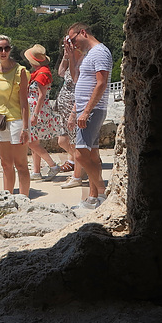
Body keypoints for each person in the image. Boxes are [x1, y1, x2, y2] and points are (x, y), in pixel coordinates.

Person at [66, 22, 113, 209]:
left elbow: (101, 83)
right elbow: (78, 79)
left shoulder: (100, 52)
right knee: (92, 155)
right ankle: (94, 197)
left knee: (80, 155)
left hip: (92, 110)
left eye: (73, 39)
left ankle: (102, 191)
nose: (73, 43)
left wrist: (86, 111)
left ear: (83, 33)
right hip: (86, 109)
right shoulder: (90, 55)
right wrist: (70, 56)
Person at [0, 35, 31, 196]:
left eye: (6, 48)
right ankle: (7, 197)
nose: (3, 52)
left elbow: (24, 102)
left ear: (10, 49)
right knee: (5, 164)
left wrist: (25, 128)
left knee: (20, 164)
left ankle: (23, 198)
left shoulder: (20, 71)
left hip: (16, 121)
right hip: (1, 122)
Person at [23, 44, 63, 181]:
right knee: (35, 140)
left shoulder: (41, 74)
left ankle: (53, 165)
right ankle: (36, 171)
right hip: (38, 109)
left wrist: (35, 114)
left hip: (37, 110)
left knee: (31, 142)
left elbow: (41, 95)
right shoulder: (42, 71)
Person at [56, 37, 87, 189]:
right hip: (64, 110)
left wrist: (74, 113)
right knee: (62, 141)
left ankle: (77, 175)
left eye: (67, 46)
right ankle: (82, 166)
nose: (65, 47)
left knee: (75, 143)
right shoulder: (71, 62)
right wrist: (65, 57)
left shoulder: (82, 63)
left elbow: (79, 89)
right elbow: (61, 73)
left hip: (73, 110)